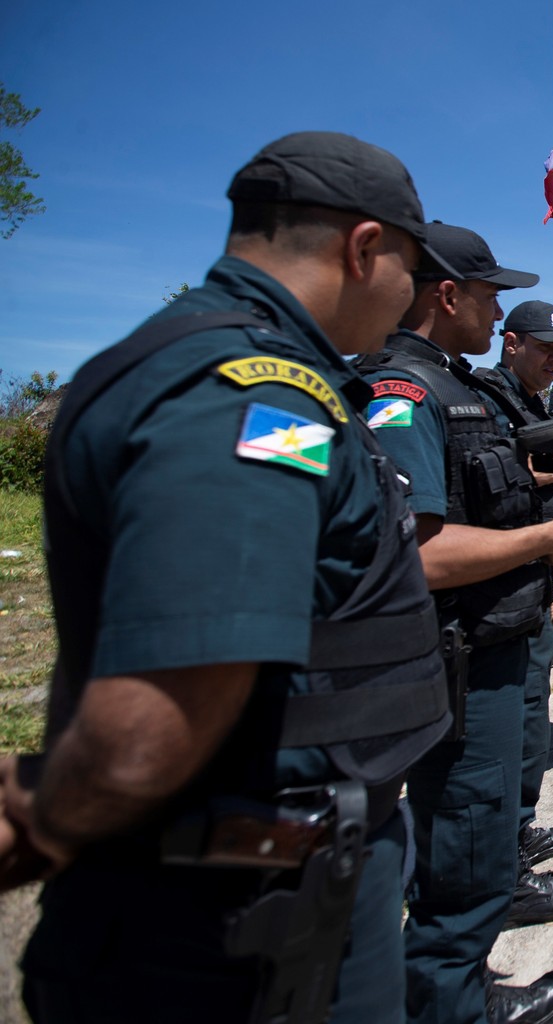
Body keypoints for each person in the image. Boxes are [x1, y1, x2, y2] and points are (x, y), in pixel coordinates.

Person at [2, 132, 474, 1022]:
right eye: (411, 268)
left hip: (277, 896)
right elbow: (161, 713)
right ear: (366, 249)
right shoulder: (254, 400)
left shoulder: (247, 374)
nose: (412, 297)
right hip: (232, 930)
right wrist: (52, 815)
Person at [355, 237, 553, 1021]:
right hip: (454, 656)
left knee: (479, 830)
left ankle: (460, 984)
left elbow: (467, 491)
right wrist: (546, 544)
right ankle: (454, 1006)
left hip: (493, 637)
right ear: (447, 295)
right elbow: (415, 553)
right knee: (461, 843)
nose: (498, 315)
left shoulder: (451, 389)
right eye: (490, 296)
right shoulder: (403, 391)